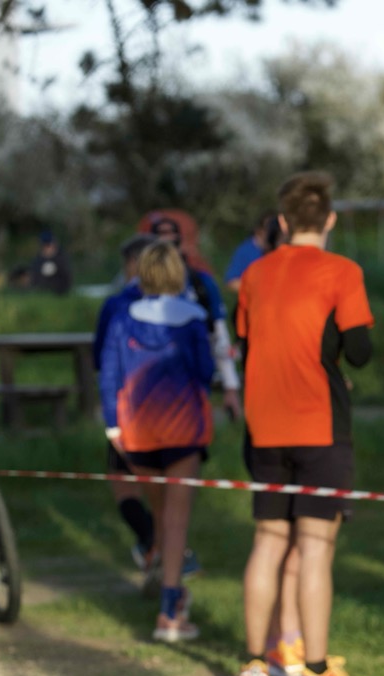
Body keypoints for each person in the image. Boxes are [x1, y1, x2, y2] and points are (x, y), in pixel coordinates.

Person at [230, 171, 377, 676]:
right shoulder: (343, 271)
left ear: (283, 221)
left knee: (268, 542)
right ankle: (315, 670)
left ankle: (254, 664)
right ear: (330, 219)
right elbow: (359, 352)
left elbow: (246, 343)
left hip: (264, 427)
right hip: (319, 425)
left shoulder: (254, 273)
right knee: (316, 547)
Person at [98, 240, 214, 642]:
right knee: (176, 520)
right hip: (183, 430)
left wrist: (112, 427)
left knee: (159, 513)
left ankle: (163, 584)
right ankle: (170, 610)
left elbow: (108, 374)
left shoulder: (121, 317)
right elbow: (205, 372)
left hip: (137, 432)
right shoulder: (194, 318)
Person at [93, 234, 157, 578]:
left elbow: (101, 360)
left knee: (123, 483)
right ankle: (161, 549)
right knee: (165, 489)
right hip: (172, 411)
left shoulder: (117, 306)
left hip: (128, 407)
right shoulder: (181, 301)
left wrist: (111, 421)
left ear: (132, 264)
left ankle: (153, 542)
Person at [148, 215, 243, 421]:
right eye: (160, 236)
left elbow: (218, 335)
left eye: (171, 236)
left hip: (193, 387)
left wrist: (231, 386)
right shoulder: (138, 290)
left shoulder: (201, 284)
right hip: (150, 390)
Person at [224, 211, 282, 292]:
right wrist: (257, 289)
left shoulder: (278, 253)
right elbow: (231, 281)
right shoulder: (246, 250)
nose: (271, 233)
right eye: (268, 228)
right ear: (259, 230)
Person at [28, 230, 73, 295]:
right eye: (45, 245)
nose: (47, 248)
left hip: (59, 290)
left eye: (49, 245)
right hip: (43, 291)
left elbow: (67, 278)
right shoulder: (38, 260)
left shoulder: (61, 258)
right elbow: (35, 278)